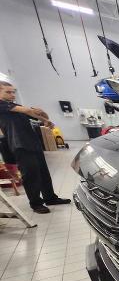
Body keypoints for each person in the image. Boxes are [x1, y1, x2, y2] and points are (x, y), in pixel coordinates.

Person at [0, 81, 70, 213]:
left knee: (43, 173)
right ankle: (36, 203)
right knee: (31, 175)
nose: (12, 94)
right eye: (8, 92)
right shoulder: (2, 105)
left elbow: (37, 114)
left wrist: (45, 119)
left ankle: (50, 198)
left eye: (13, 91)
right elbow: (28, 110)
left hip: (33, 143)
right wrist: (33, 110)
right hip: (20, 145)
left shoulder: (16, 106)